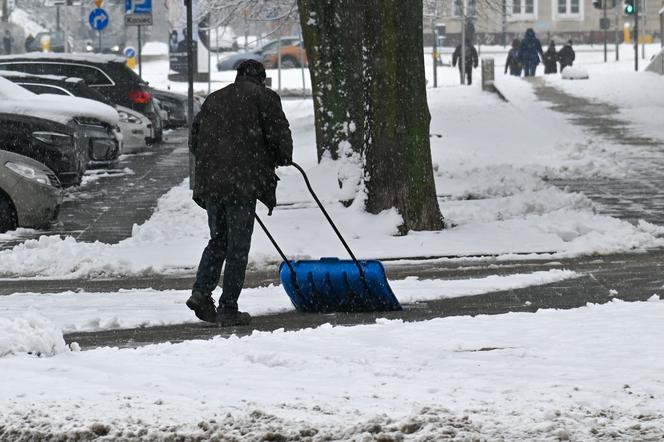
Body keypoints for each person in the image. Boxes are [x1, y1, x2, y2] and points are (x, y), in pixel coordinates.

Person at [187, 59, 293, 326]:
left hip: (212, 183)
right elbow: (279, 133)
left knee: (218, 240)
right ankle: (228, 307)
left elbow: (194, 140)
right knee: (237, 247)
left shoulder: (214, 99)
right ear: (262, 79)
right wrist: (282, 157)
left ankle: (201, 293)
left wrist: (217, 163)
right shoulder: (264, 97)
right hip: (241, 184)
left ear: (238, 76)